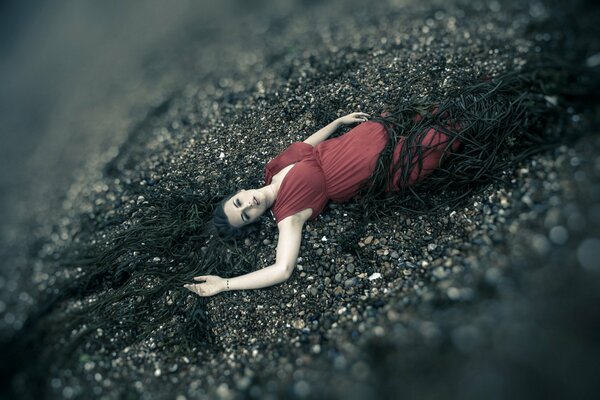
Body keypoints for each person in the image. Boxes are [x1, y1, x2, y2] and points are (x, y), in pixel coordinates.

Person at [184, 111, 461, 297]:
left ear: (240, 191)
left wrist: (338, 123)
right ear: (255, 220)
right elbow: (282, 270)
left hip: (372, 131)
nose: (249, 204)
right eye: (246, 215)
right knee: (458, 129)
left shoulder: (273, 169)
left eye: (239, 202)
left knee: (445, 108)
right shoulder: (288, 214)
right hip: (388, 163)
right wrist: (225, 285)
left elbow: (305, 147)